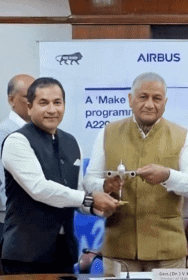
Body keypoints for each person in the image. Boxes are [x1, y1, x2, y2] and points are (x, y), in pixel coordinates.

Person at [85, 72, 188, 274]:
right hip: (119, 249)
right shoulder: (108, 133)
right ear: (131, 100)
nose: (150, 104)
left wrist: (168, 175)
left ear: (165, 102)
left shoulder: (182, 135)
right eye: (143, 97)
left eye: (156, 99)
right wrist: (104, 186)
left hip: (168, 252)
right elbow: (88, 181)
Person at [1, 77, 120, 274]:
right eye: (43, 103)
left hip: (64, 253)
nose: (52, 109)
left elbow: (77, 194)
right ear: (29, 107)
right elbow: (39, 189)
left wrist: (100, 207)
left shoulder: (72, 142)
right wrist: (90, 198)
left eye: (57, 102)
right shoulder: (17, 141)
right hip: (24, 256)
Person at [0, 74, 35, 239]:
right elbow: (3, 186)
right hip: (12, 223)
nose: (33, 102)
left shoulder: (40, 133)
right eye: (28, 97)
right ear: (11, 99)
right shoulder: (4, 133)